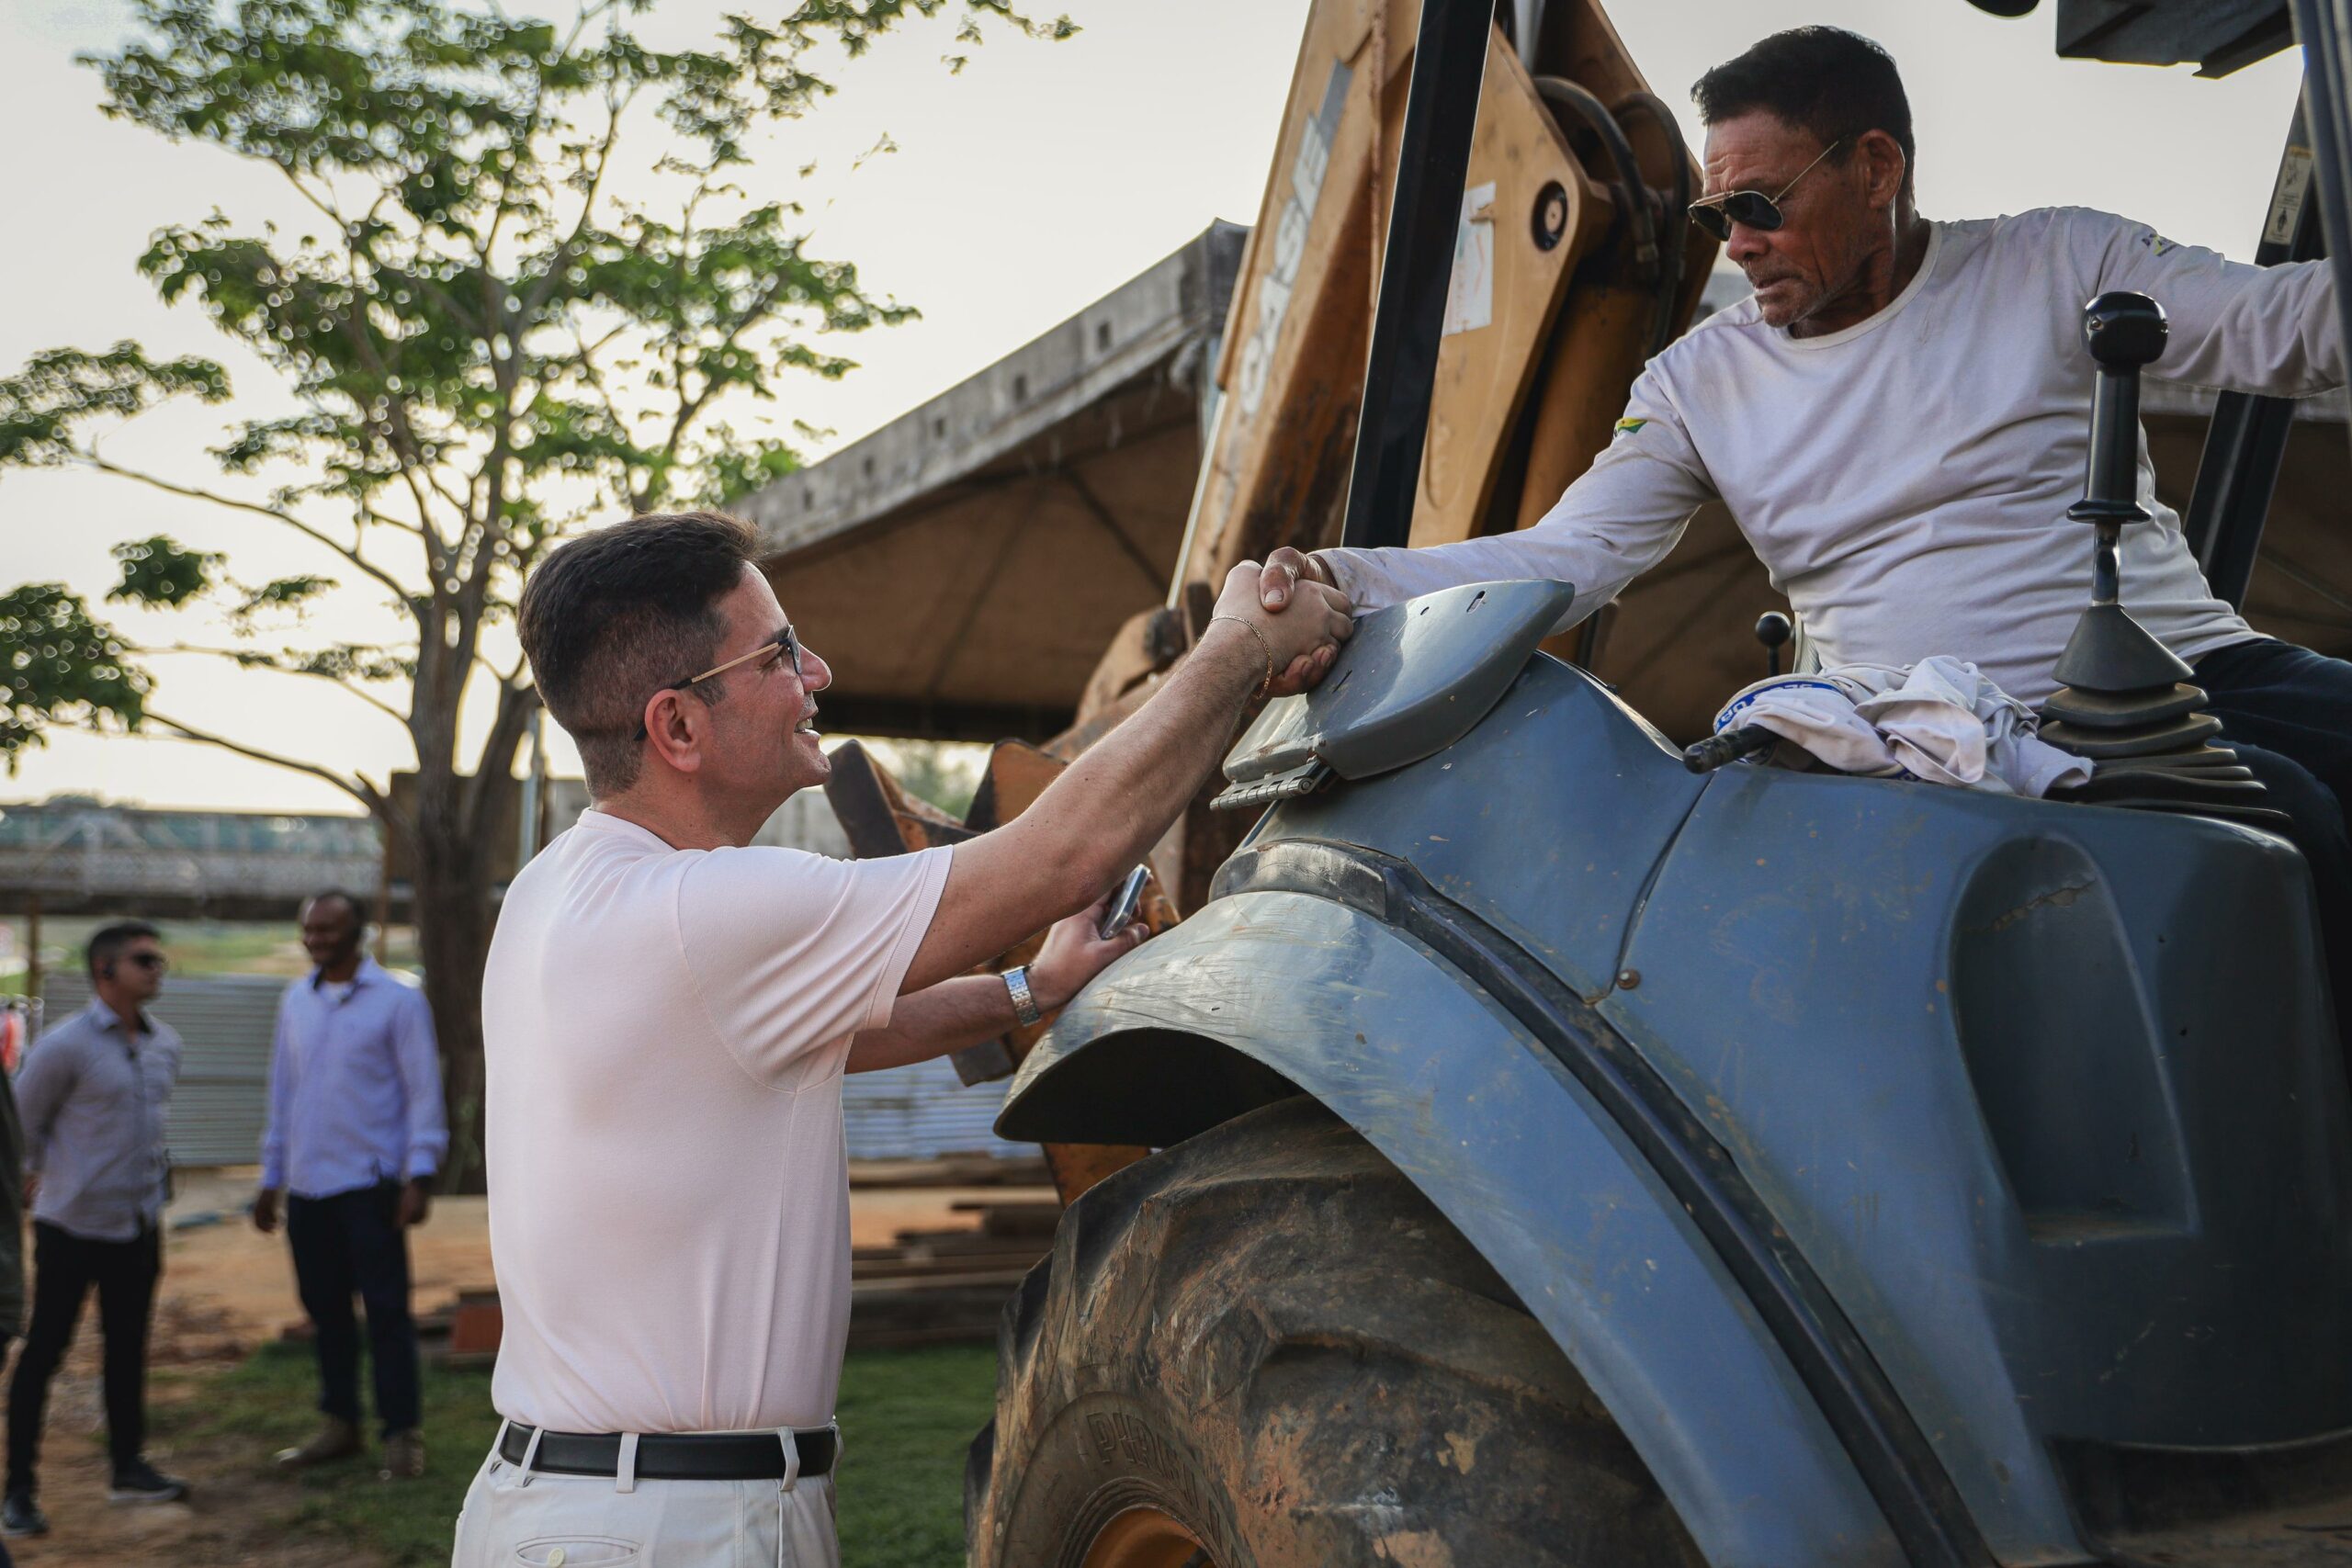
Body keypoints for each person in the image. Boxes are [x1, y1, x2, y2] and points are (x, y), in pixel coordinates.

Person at [1261, 25, 2352, 1029]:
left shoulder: (2058, 262)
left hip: (2198, 664)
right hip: (1982, 727)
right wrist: (1340, 576)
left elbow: (2285, 330)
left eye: (1758, 207)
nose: (1734, 246)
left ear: (1876, 166)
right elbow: (1566, 558)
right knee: (2283, 821)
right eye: (1711, 216)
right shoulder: (1697, 383)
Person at [449, 511, 1348, 1566]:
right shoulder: (709, 916)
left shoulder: (562, 890)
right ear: (677, 727)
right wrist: (1240, 644)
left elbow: (819, 1043)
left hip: (572, 1508)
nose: (817, 671)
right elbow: (1060, 858)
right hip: (673, 1532)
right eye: (779, 653)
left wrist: (1026, 986)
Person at [254, 890, 447, 1482]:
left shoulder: (398, 1002)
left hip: (371, 1187)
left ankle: (401, 1436)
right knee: (326, 1313)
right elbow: (282, 1092)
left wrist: (419, 1174)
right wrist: (271, 1177)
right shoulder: (296, 1000)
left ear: (359, 932)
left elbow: (422, 1092)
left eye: (329, 930)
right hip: (309, 1188)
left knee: (387, 1315)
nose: (317, 940)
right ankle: (340, 1424)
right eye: (309, 929)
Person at [4, 921, 187, 1538]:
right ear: (105, 971)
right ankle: (19, 1488)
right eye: (144, 959)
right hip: (71, 1227)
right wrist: (33, 1181)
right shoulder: (64, 1046)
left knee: (128, 1348)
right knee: (44, 1353)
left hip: (136, 1224)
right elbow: (20, 1125)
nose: (156, 968)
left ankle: (127, 1466)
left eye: (157, 958)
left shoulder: (165, 1044)